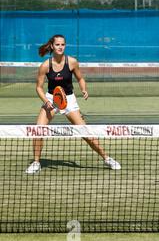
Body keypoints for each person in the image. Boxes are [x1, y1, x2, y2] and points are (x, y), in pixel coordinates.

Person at [26, 34, 121, 174]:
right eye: (57, 44)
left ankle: (107, 158)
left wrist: (83, 89)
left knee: (85, 132)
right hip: (51, 99)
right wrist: (47, 102)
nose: (60, 47)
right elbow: (38, 87)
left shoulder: (72, 62)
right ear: (52, 46)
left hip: (69, 100)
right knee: (38, 130)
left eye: (63, 44)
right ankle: (36, 162)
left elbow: (80, 78)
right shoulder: (45, 65)